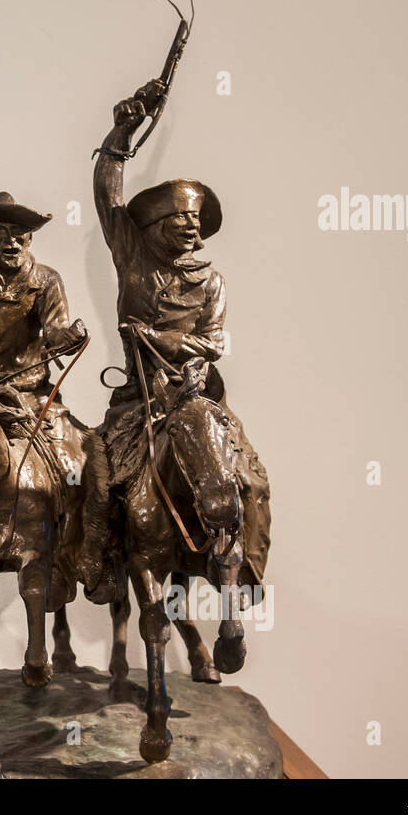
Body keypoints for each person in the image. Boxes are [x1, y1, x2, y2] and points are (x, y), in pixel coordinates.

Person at [0, 104, 114, 606]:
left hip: (35, 399)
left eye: (21, 232)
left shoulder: (45, 280)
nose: (12, 240)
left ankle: (89, 557)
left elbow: (53, 330)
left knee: (94, 465)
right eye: (1, 232)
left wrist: (66, 336)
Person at [92, 87, 270, 587]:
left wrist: (162, 339)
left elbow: (213, 343)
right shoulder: (133, 261)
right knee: (97, 479)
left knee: (250, 480)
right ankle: (102, 564)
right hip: (139, 397)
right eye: (182, 220)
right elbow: (107, 196)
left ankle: (245, 571)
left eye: (196, 222)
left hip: (197, 394)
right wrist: (122, 131)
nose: (193, 229)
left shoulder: (212, 281)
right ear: (155, 225)